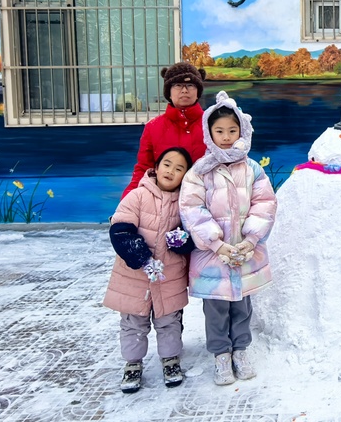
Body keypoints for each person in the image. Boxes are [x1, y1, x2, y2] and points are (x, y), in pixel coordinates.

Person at [179, 91, 277, 385]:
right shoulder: (200, 172)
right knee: (216, 309)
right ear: (209, 133)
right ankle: (221, 355)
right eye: (219, 131)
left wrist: (251, 239)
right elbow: (191, 208)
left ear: (242, 132)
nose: (226, 137)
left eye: (232, 131)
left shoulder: (252, 169)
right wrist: (216, 243)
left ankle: (241, 351)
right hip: (213, 257)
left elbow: (265, 203)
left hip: (245, 253)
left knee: (242, 306)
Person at [103, 147, 196, 393]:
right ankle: (133, 363)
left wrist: (181, 241)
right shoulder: (137, 196)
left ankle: (171, 360)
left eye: (179, 168)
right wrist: (140, 255)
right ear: (156, 167)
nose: (171, 171)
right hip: (134, 277)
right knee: (133, 322)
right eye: (167, 164)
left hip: (169, 276)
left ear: (185, 176)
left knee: (169, 321)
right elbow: (120, 228)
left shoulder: (186, 203)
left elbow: (194, 232)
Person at [122, 62, 207, 198]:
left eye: (190, 85)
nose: (184, 90)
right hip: (163, 202)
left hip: (205, 199)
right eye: (178, 85)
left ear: (198, 92)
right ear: (169, 93)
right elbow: (144, 169)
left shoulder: (212, 124)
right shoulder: (153, 127)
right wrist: (127, 201)